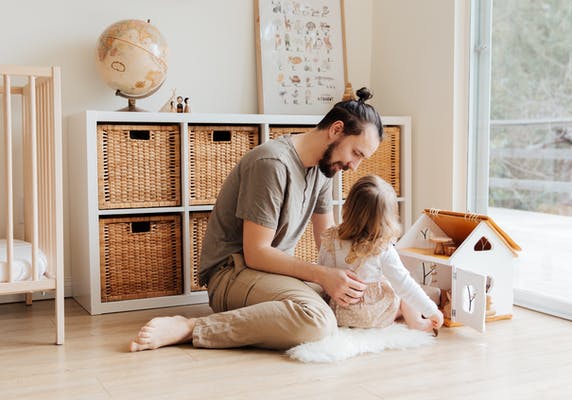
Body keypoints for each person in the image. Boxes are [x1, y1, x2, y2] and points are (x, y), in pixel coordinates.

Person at [130, 87, 384, 352]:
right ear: (336, 130)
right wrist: (323, 276)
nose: (354, 166)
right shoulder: (273, 163)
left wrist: (366, 273)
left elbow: (328, 241)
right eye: (356, 153)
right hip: (232, 273)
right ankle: (193, 327)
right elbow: (256, 253)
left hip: (272, 274)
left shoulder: (323, 169)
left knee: (352, 298)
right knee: (318, 320)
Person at [319, 175, 444, 332]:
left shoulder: (330, 239)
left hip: (341, 313)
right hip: (375, 316)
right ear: (387, 219)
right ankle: (417, 322)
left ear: (348, 206)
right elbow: (405, 285)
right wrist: (432, 311)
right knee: (402, 291)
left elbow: (322, 272)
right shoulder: (382, 248)